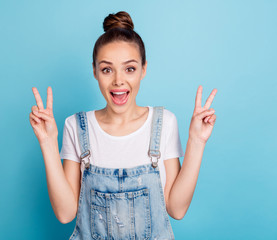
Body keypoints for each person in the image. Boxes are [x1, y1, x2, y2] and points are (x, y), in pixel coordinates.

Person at [29, 11, 217, 240]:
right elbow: (65, 213)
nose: (118, 80)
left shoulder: (164, 123)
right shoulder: (77, 127)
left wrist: (197, 142)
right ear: (95, 71)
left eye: (129, 68)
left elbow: (177, 209)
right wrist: (48, 142)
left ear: (143, 69)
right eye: (107, 69)